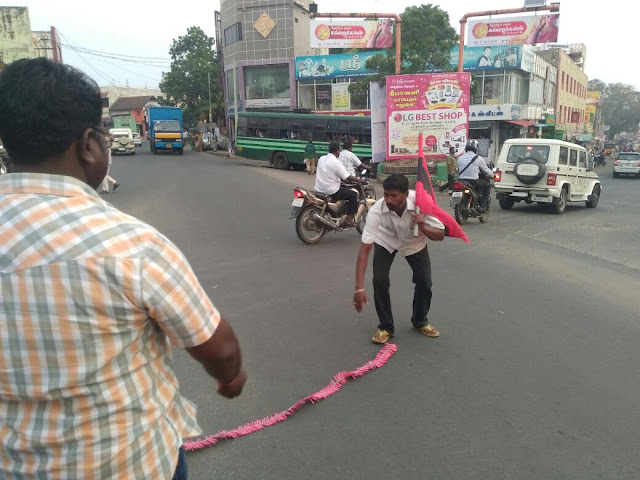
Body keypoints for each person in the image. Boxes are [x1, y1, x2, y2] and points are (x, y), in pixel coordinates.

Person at [0, 58, 247, 479]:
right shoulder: (130, 245)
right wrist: (231, 378)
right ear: (89, 144)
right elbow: (220, 349)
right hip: (132, 464)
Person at [353, 174, 445, 344]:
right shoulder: (376, 211)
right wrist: (359, 288)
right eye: (386, 194)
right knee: (379, 280)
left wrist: (423, 225)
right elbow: (364, 250)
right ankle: (386, 326)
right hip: (386, 239)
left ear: (406, 194)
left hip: (413, 241)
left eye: (394, 195)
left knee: (425, 281)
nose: (388, 199)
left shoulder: (421, 202)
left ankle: (420, 320)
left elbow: (440, 234)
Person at [314, 141, 367, 228]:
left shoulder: (321, 158)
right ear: (337, 150)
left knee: (343, 190)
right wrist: (361, 181)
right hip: (331, 190)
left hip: (319, 188)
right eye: (339, 150)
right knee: (353, 195)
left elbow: (330, 173)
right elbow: (348, 177)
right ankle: (348, 219)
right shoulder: (336, 162)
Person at [456, 140, 493, 213]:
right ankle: (483, 206)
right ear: (476, 148)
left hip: (461, 181)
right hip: (473, 181)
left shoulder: (460, 158)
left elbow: (457, 169)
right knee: (487, 186)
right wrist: (493, 175)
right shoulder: (478, 158)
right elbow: (486, 170)